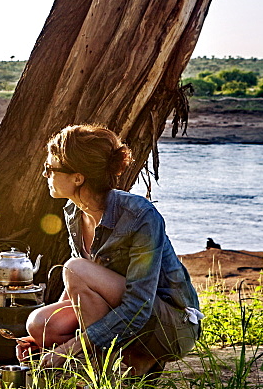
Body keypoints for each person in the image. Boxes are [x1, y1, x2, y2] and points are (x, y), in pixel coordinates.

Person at [16, 124, 202, 375]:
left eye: (50, 169)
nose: (44, 175)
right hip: (126, 314)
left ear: (78, 177)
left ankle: (106, 373)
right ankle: (126, 361)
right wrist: (46, 340)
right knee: (40, 323)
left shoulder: (139, 215)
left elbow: (138, 305)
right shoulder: (73, 213)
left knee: (75, 268)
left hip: (171, 326)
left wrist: (73, 346)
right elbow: (79, 285)